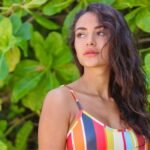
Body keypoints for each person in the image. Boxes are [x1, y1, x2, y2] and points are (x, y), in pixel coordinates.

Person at [38, 3, 150, 150]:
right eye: (81, 34)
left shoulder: (132, 103)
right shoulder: (62, 100)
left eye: (101, 33)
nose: (89, 41)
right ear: (75, 46)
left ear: (118, 41)